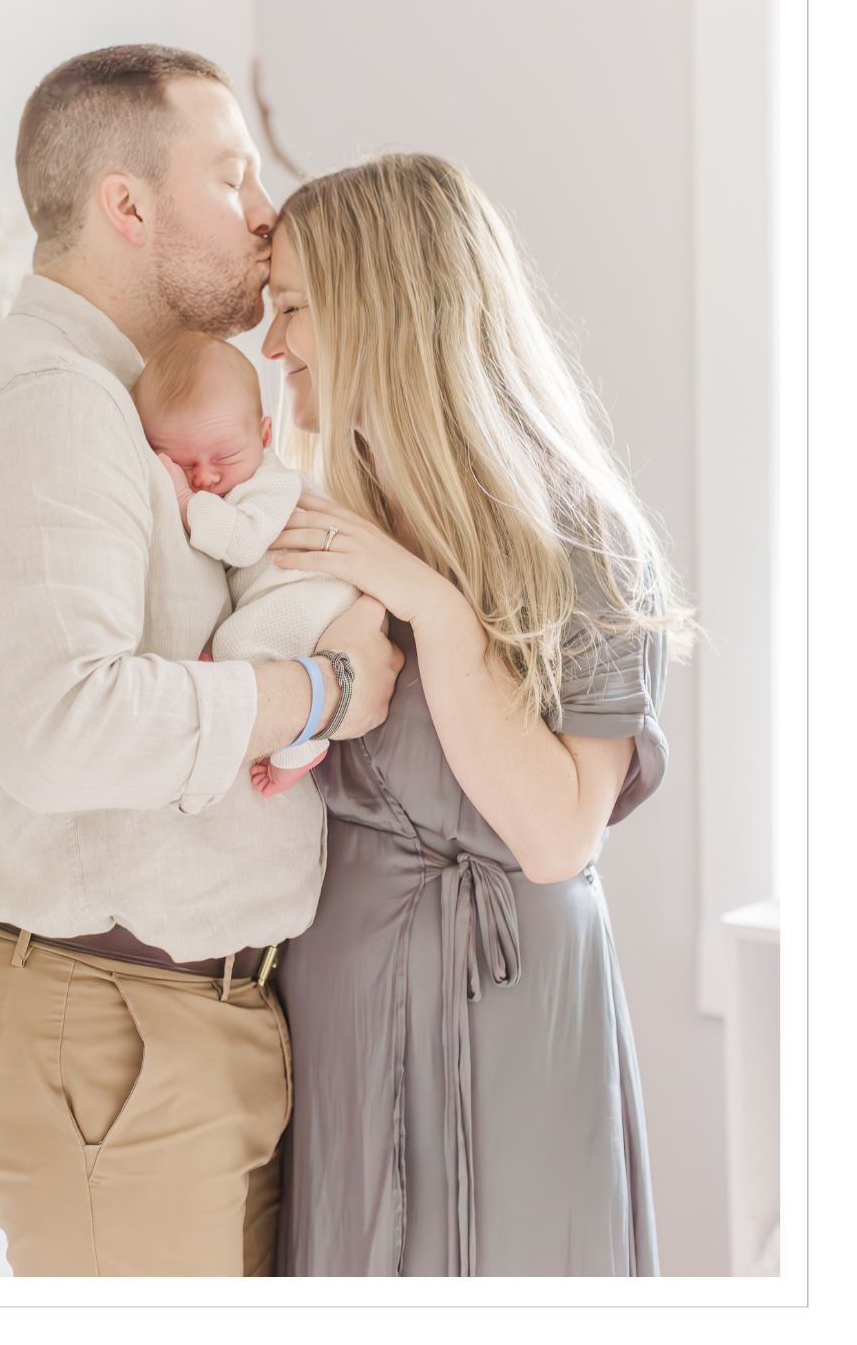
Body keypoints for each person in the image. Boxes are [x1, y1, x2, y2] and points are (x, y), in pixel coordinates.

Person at [0, 46, 403, 1277]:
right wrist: (325, 690)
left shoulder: (144, 408)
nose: (264, 212)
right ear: (126, 207)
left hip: (172, 1025)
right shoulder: (56, 405)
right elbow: (60, 726)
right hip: (116, 1029)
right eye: (230, 177)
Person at [261, 154, 694, 1277]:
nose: (271, 344)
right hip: (343, 995)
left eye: (293, 308)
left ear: (381, 313)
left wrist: (440, 614)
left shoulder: (584, 541)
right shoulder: (319, 526)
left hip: (519, 1004)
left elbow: (554, 838)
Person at [132, 331, 359, 796]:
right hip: (292, 599)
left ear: (265, 435)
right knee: (242, 646)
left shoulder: (274, 484)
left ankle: (304, 743)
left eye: (225, 455)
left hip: (316, 596)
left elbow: (244, 542)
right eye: (182, 464)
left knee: (238, 645)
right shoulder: (231, 482)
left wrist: (184, 501)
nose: (205, 477)